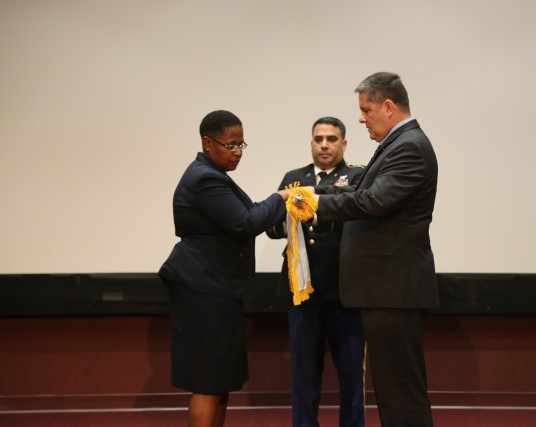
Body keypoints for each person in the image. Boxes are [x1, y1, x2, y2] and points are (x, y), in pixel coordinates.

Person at [310, 72, 439, 427]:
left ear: (388, 106)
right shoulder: (399, 144)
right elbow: (359, 195)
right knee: (393, 392)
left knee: (401, 394)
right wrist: (314, 195)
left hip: (394, 288)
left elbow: (373, 202)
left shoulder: (409, 146)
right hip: (386, 289)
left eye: (366, 110)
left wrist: (313, 204)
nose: (361, 118)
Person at [158, 110, 290, 427]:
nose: (237, 153)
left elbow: (250, 216)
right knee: (208, 381)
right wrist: (281, 197)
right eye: (230, 145)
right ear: (207, 142)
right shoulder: (204, 178)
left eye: (241, 145)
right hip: (203, 289)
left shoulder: (215, 176)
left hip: (217, 289)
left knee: (219, 380)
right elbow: (245, 223)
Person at [267, 117, 366, 427]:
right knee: (304, 377)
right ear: (311, 143)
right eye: (319, 138)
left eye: (332, 139)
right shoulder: (293, 178)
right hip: (303, 292)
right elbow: (272, 227)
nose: (324, 144)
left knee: (352, 378)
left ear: (344, 144)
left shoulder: (358, 176)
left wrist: (311, 195)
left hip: (345, 292)